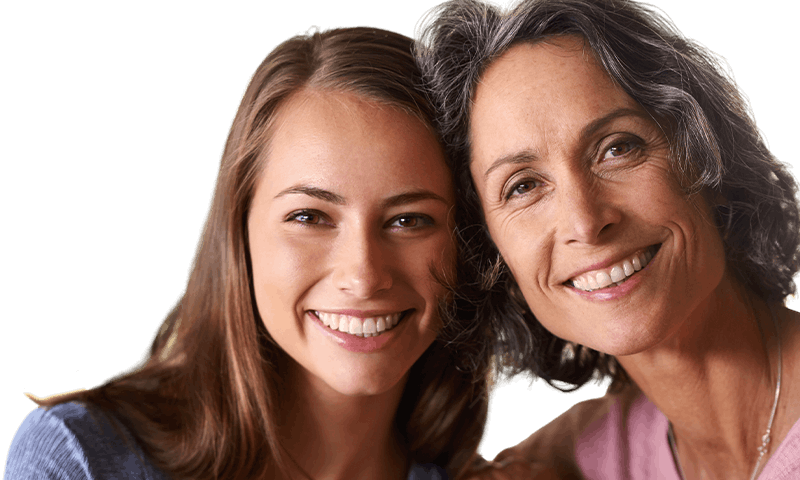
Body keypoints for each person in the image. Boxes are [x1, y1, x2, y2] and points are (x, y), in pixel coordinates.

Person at [5, 25, 493, 480]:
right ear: (239, 230)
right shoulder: (82, 457)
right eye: (309, 217)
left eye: (409, 220)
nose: (364, 276)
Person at [414, 0, 800, 478]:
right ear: (493, 254)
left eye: (617, 148)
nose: (584, 221)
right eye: (524, 186)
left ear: (706, 158)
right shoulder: (576, 459)